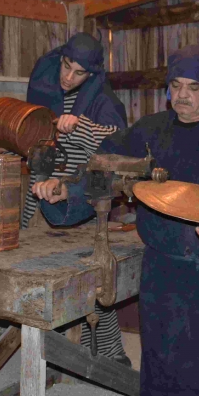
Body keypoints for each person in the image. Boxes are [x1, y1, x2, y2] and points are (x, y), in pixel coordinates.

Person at [32, 45, 199, 396]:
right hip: (161, 271)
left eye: (194, 87)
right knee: (157, 372)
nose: (183, 96)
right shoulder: (149, 131)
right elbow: (104, 172)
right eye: (176, 85)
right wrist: (64, 193)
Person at [17, 32, 131, 366]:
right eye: (66, 66)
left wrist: (80, 127)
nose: (68, 77)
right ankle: (48, 355)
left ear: (93, 74)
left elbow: (114, 155)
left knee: (91, 281)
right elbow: (34, 137)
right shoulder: (46, 89)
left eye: (79, 72)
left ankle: (112, 355)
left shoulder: (104, 103)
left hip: (82, 199)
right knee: (36, 273)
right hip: (41, 192)